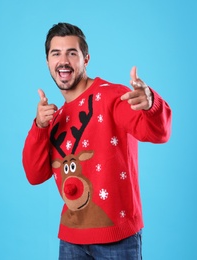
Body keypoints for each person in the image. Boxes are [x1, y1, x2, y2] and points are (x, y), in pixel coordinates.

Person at [22, 22, 172, 260]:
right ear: (48, 62)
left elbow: (157, 132)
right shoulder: (54, 118)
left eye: (72, 53)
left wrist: (151, 103)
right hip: (71, 240)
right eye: (56, 53)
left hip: (117, 239)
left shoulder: (112, 96)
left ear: (86, 59)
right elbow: (35, 174)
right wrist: (40, 127)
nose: (63, 61)